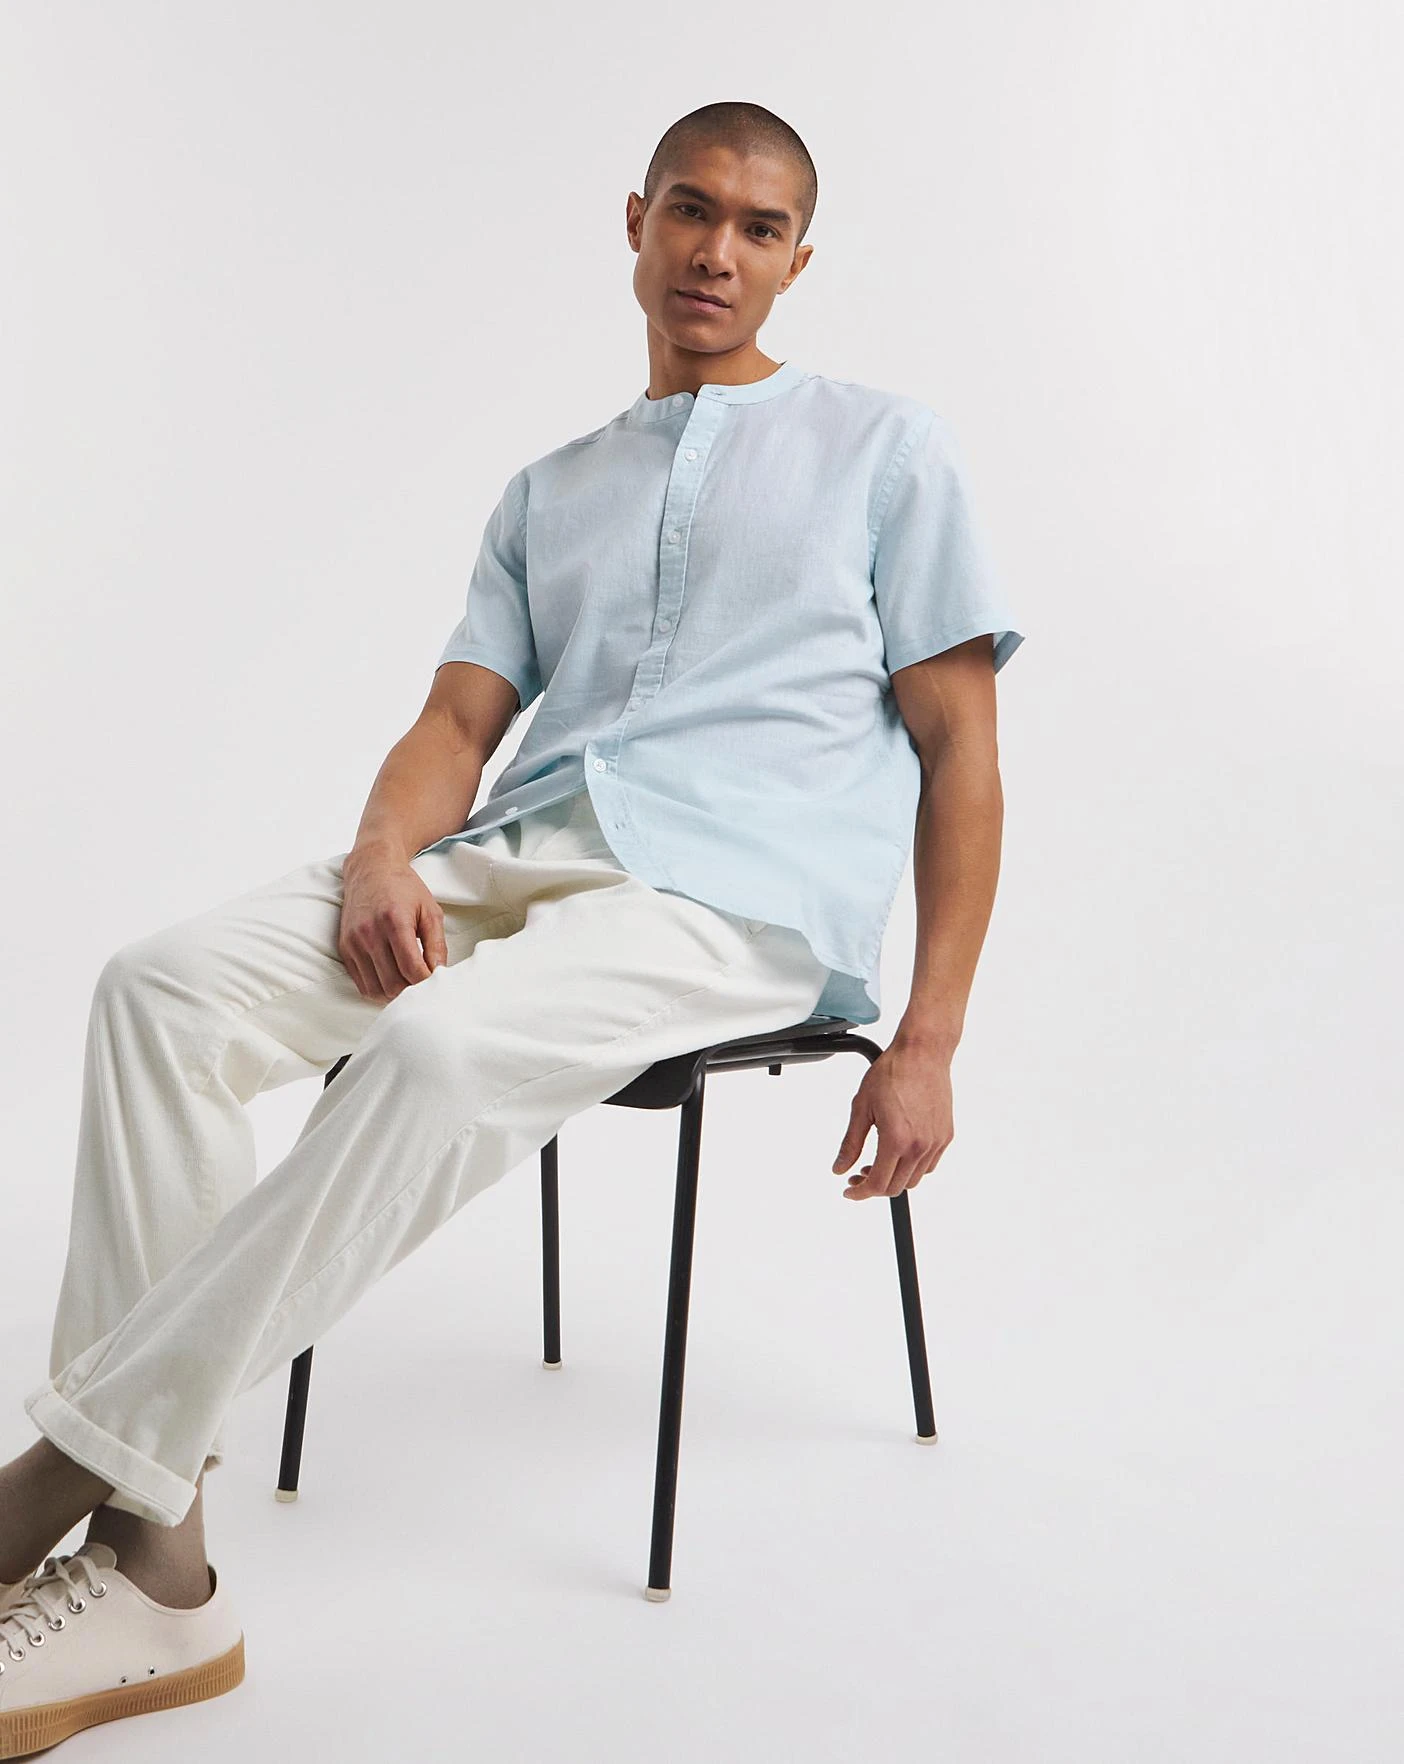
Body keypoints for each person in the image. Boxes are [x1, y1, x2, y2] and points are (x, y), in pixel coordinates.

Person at [0, 99, 1024, 1751]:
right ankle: (155, 1558)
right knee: (160, 989)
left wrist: (931, 1038)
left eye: (760, 228)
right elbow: (458, 722)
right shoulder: (550, 491)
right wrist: (380, 856)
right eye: (692, 210)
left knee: (433, 1051)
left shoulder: (887, 450)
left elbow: (963, 747)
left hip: (736, 894)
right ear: (636, 221)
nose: (717, 252)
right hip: (522, 851)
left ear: (797, 260)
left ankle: (60, 1485)